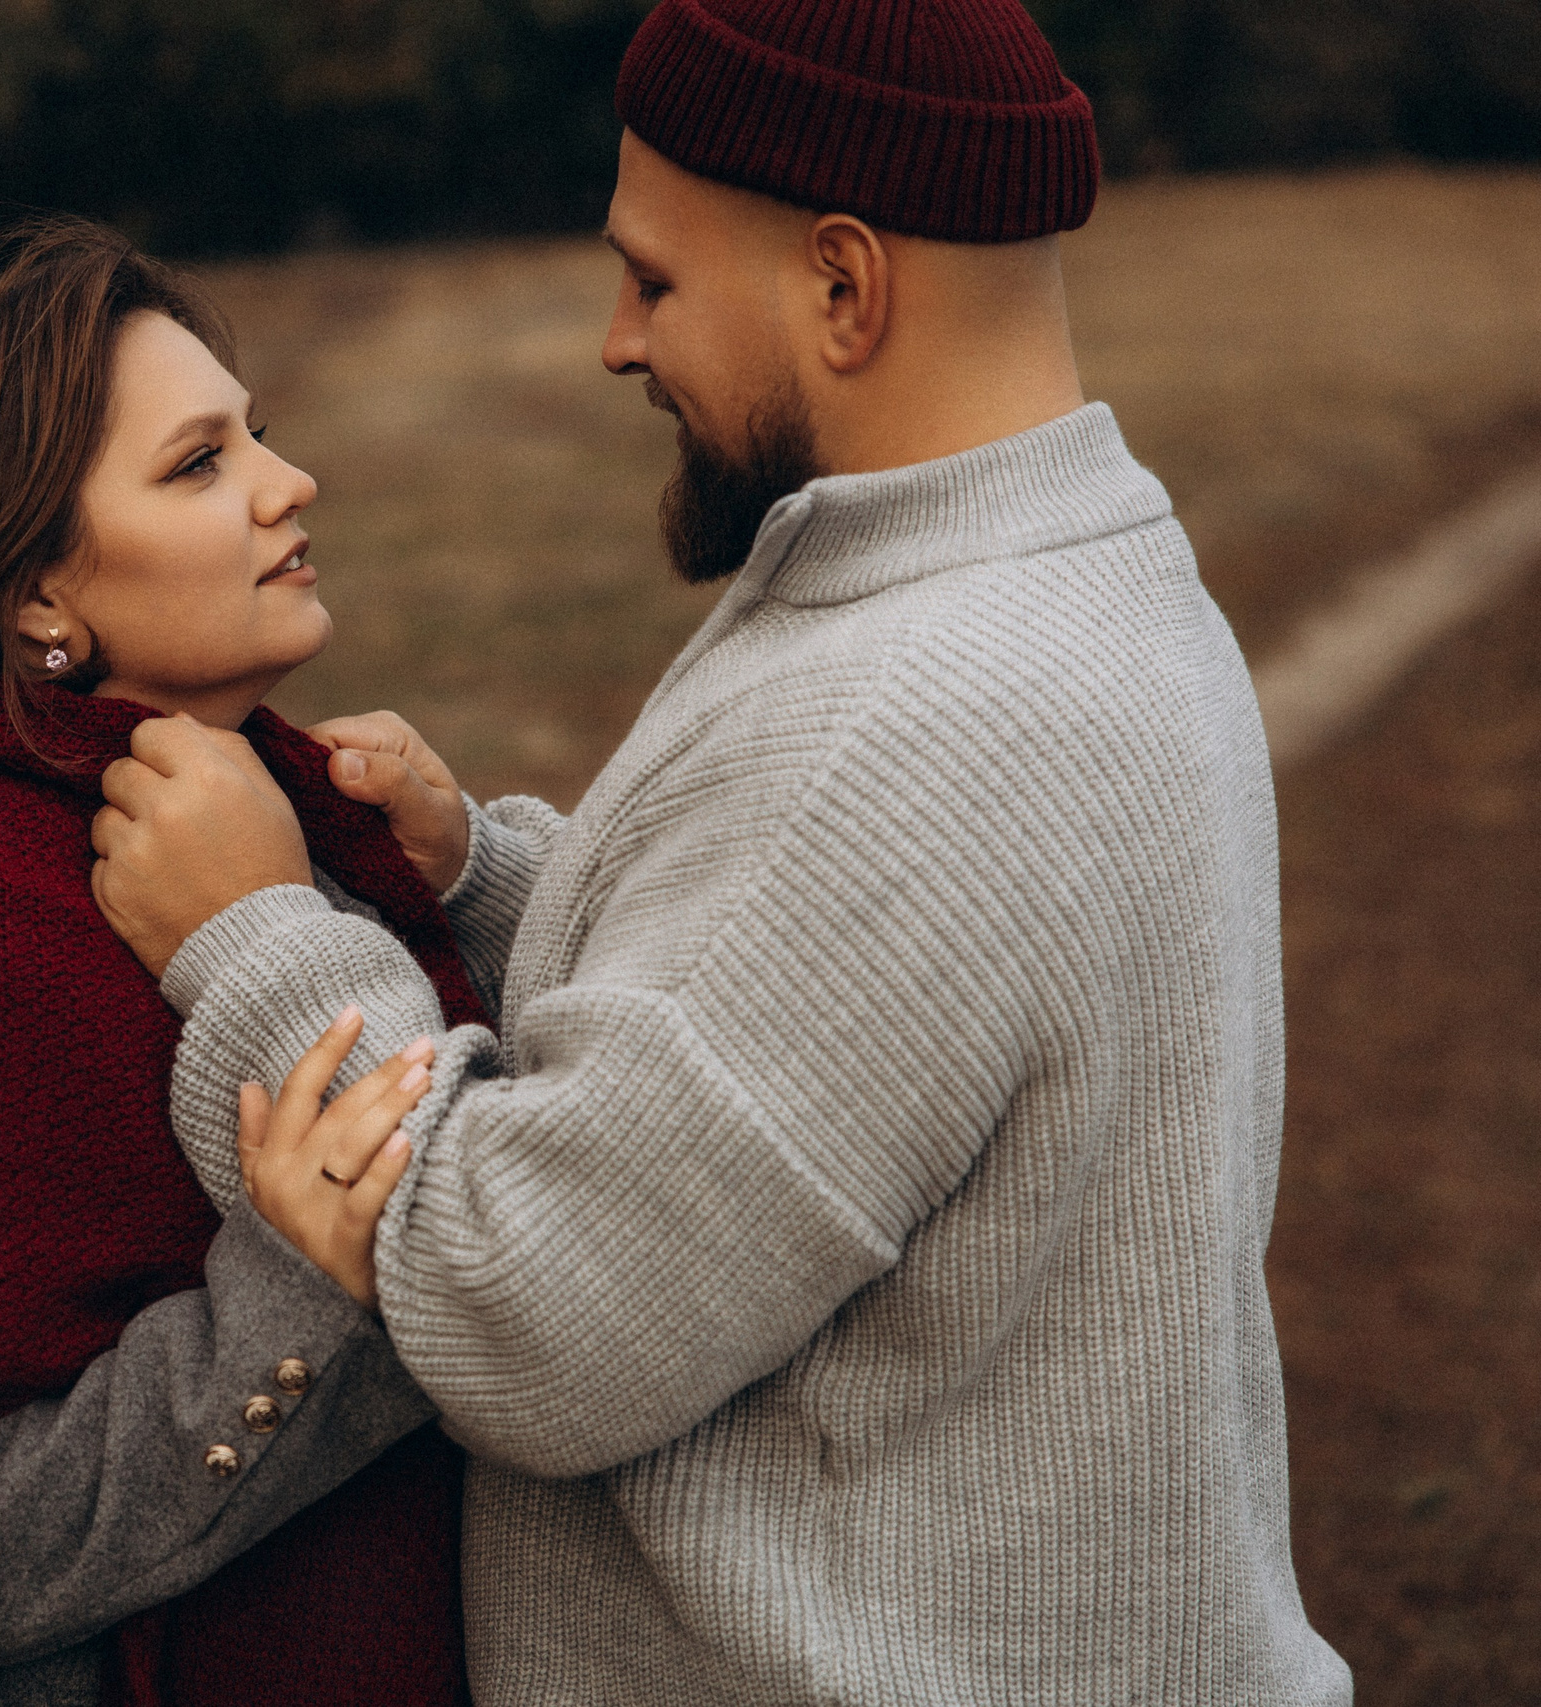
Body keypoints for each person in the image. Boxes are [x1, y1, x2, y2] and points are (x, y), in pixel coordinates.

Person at [86, 0, 1355, 1701]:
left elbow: (535, 1313)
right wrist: (485, 877)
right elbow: (815, 1039)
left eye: (657, 282)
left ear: (844, 286)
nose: (617, 341)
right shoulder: (1079, 580)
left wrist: (251, 938)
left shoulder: (926, 720)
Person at [0, 222, 484, 1707]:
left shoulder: (288, 827)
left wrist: (463, 876)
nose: (287, 481)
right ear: (38, 601)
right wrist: (306, 1288)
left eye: (261, 433)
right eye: (199, 463)